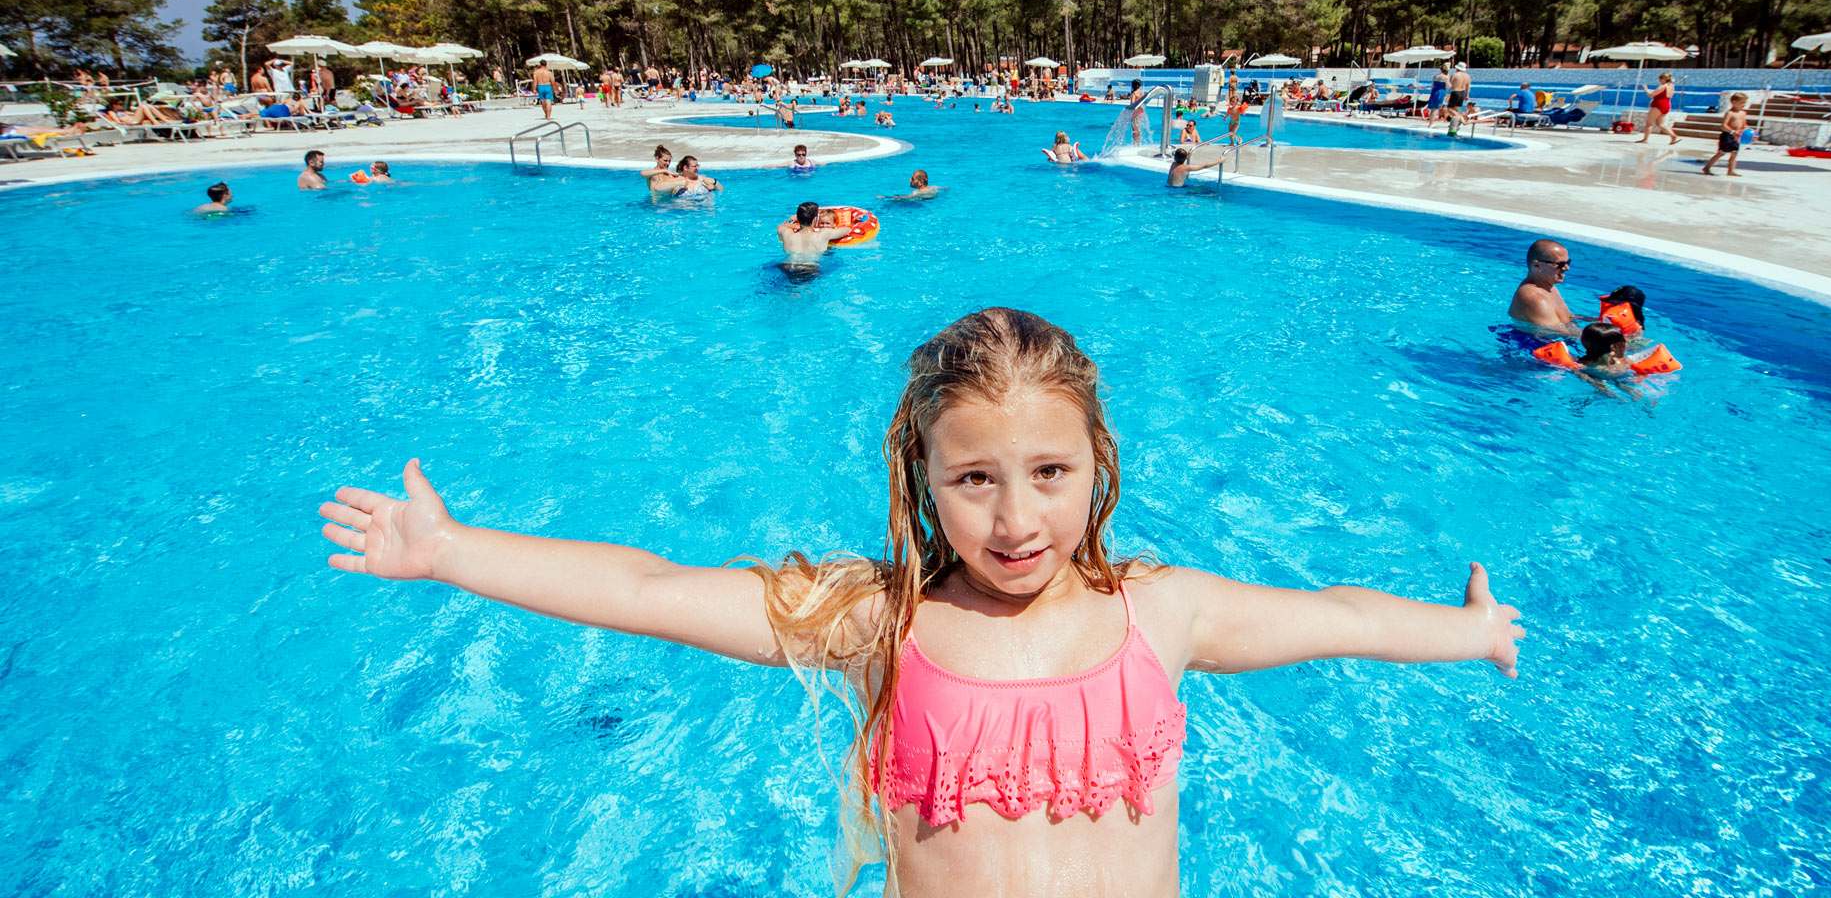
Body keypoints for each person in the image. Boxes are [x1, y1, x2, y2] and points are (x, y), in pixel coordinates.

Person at [318, 308, 1523, 898]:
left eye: (1049, 473)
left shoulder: (1163, 614)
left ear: (1097, 463)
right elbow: (651, 586)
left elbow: (1344, 613)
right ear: (924, 480)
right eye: (975, 479)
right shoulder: (878, 618)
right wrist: (457, 551)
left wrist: (1469, 631)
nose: (1016, 520)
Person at [1507, 238, 1580, 333]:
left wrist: (1599, 321)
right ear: (1537, 265)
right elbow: (1557, 332)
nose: (1567, 268)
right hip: (1528, 344)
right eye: (1560, 264)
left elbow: (1566, 317)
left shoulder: (1551, 289)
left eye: (1568, 262)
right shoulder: (1535, 298)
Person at [777, 201, 852, 262]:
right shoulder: (824, 234)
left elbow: (781, 226)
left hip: (787, 266)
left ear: (798, 218)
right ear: (815, 219)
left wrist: (796, 225)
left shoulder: (787, 234)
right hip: (810, 270)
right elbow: (847, 230)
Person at [1701, 93, 1748, 176]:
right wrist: (1732, 132)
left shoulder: (1743, 113)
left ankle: (1731, 171)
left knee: (1734, 153)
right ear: (1734, 102)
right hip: (1727, 135)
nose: (1744, 105)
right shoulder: (1730, 113)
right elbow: (1724, 125)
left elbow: (1744, 125)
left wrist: (1749, 131)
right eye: (1742, 103)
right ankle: (1707, 167)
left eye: (1745, 103)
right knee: (1721, 152)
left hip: (1736, 136)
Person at [1638, 72, 1678, 145]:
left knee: (1649, 123)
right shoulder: (1671, 86)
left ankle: (1645, 139)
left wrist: (1645, 89)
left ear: (1664, 79)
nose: (1659, 80)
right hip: (1666, 105)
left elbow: (1651, 95)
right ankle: (1673, 136)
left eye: (1660, 78)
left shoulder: (1663, 86)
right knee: (1660, 124)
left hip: (1658, 105)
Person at [1445, 63, 1471, 136]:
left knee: (1449, 109)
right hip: (1462, 93)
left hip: (1455, 92)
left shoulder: (1455, 75)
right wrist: (1467, 95)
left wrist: (1445, 91)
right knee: (1455, 110)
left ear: (1457, 68)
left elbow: (1449, 84)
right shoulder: (1467, 76)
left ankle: (1461, 118)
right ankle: (1455, 126)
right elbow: (1468, 86)